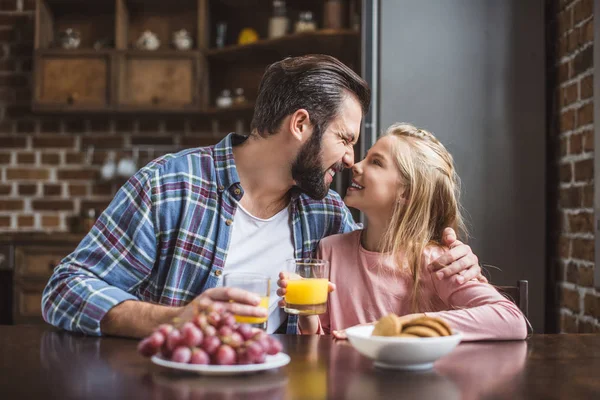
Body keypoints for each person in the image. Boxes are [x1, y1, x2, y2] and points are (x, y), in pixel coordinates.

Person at [42, 56, 483, 338]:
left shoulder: (327, 211)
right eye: (346, 139)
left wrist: (451, 261)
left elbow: (383, 275)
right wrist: (172, 319)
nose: (351, 160)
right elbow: (64, 291)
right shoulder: (169, 187)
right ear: (300, 124)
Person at [277, 123, 527, 341]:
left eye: (376, 162)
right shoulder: (330, 251)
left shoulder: (438, 262)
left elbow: (512, 321)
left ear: (406, 193)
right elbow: (324, 345)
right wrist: (307, 317)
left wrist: (399, 329)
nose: (356, 165)